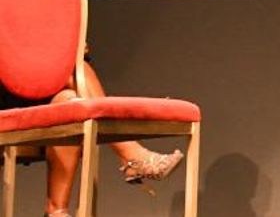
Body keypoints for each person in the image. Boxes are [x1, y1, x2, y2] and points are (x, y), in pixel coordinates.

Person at [3, 60, 185, 217]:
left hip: (46, 88)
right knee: (70, 69)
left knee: (70, 93)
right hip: (8, 84)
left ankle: (56, 211)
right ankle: (130, 154)